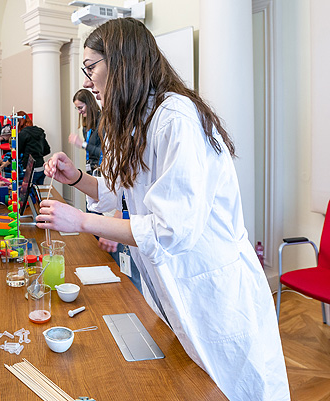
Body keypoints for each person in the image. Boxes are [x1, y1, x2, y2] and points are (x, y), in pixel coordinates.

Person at [37, 18, 289, 401]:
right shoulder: (139, 119)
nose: (87, 81)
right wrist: (76, 179)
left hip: (212, 288)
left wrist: (82, 221)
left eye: (91, 68)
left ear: (121, 63)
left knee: (235, 389)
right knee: (194, 383)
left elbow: (170, 228)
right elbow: (123, 191)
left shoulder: (176, 119)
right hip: (177, 285)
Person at [68, 89, 102, 175]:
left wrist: (83, 145)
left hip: (102, 170)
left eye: (81, 107)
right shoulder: (86, 125)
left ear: (90, 104)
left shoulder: (103, 122)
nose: (79, 111)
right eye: (77, 108)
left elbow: (104, 153)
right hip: (91, 169)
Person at [15, 111, 50, 184]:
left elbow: (17, 152)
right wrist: (37, 154)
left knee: (28, 193)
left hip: (30, 169)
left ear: (19, 122)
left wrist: (5, 163)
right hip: (41, 168)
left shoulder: (23, 133)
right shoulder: (39, 132)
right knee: (39, 193)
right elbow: (47, 150)